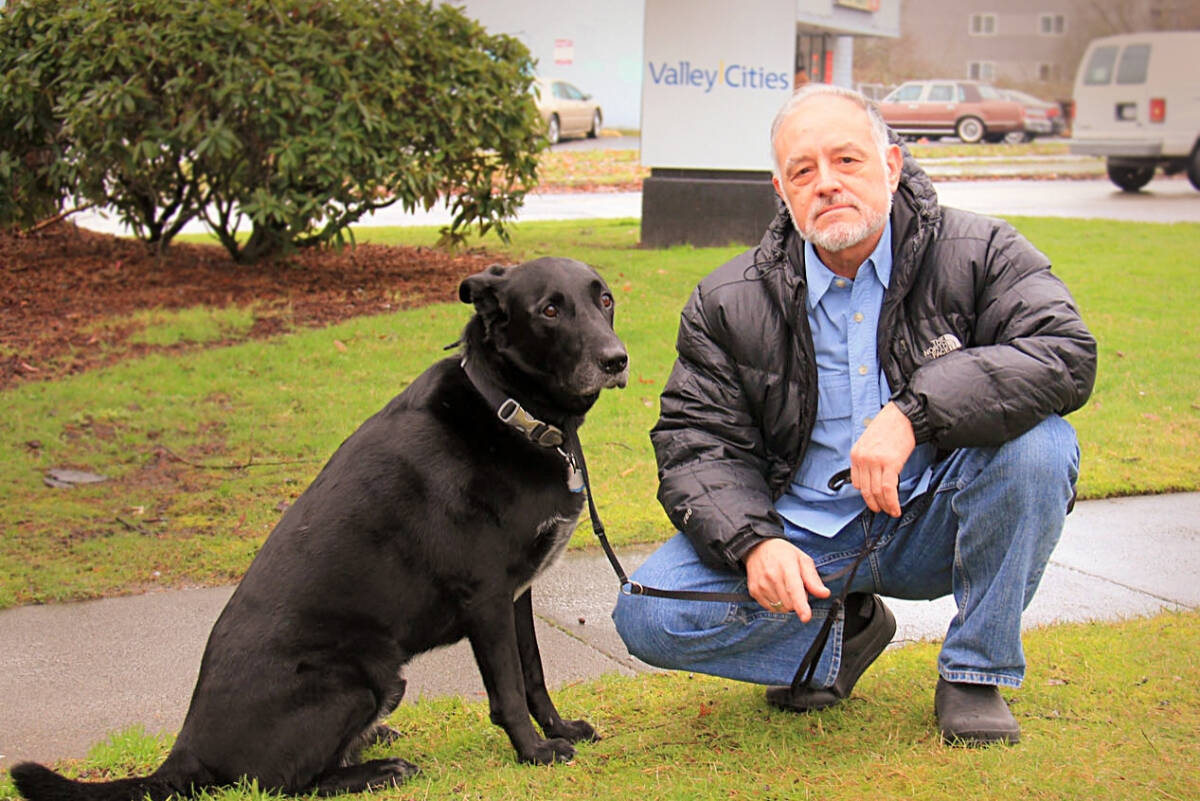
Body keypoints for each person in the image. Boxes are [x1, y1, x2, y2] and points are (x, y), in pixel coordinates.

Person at [612, 84, 1096, 746]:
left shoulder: (980, 251)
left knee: (1039, 447)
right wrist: (756, 542)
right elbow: (698, 445)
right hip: (804, 537)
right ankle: (843, 631)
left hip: (932, 519)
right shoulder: (726, 301)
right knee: (647, 613)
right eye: (803, 171)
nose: (827, 184)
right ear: (780, 190)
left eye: (847, 160)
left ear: (891, 164)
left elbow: (1063, 354)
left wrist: (915, 413)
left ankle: (975, 670)